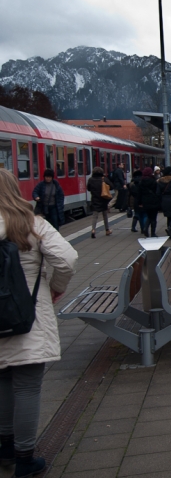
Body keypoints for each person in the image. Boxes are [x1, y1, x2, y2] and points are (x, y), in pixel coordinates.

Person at [0, 168, 78, 478]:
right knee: (28, 387)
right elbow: (67, 259)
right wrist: (56, 286)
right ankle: (24, 458)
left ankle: (5, 446)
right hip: (28, 315)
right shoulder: (32, 223)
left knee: (3, 381)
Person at [86, 167, 113, 238]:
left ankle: (93, 230)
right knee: (105, 215)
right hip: (103, 199)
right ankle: (107, 230)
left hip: (95, 199)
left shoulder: (91, 180)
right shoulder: (104, 179)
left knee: (95, 216)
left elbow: (88, 189)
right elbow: (112, 186)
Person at [133, 167, 160, 238]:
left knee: (148, 216)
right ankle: (153, 233)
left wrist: (139, 203)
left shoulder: (141, 182)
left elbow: (139, 194)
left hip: (145, 202)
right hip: (154, 201)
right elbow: (157, 192)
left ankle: (145, 228)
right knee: (153, 218)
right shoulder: (154, 181)